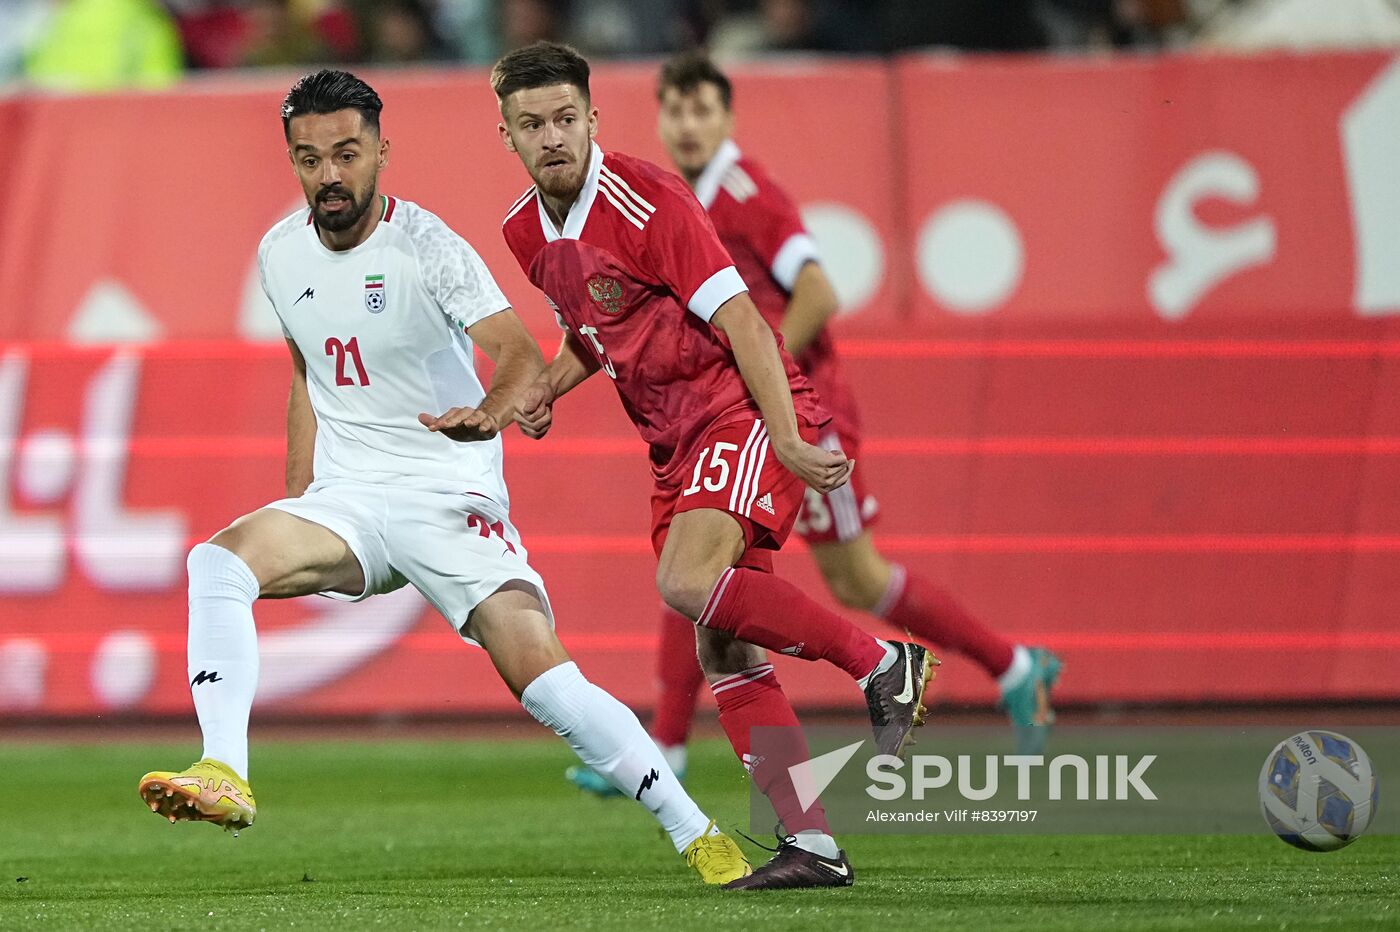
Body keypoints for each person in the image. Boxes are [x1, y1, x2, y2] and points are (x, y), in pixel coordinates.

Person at [136, 68, 751, 888]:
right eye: (310, 159)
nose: (330, 176)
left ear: (382, 152)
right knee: (216, 562)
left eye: (347, 154)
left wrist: (488, 415)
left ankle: (698, 832)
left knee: (546, 683)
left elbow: (521, 355)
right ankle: (224, 770)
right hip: (348, 501)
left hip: (447, 494)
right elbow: (306, 373)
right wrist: (301, 491)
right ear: (293, 161)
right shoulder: (280, 255)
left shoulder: (428, 246)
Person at [492, 41, 936, 890]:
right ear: (506, 133)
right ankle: (813, 845)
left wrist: (790, 435)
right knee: (726, 651)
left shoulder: (649, 198)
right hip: (674, 442)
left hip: (741, 411)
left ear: (593, 119)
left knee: (685, 580)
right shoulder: (524, 231)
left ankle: (884, 665)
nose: (551, 136)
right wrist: (545, 387)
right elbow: (594, 328)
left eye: (564, 118)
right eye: (531, 124)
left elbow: (743, 322)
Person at [567, 55, 1065, 803]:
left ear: (727, 119)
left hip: (801, 413)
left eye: (702, 110)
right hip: (743, 413)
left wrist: (762, 382)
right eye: (675, 111)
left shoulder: (745, 192)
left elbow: (820, 290)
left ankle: (1008, 665)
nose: (688, 125)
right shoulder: (672, 199)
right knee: (700, 567)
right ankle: (675, 745)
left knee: (844, 576)